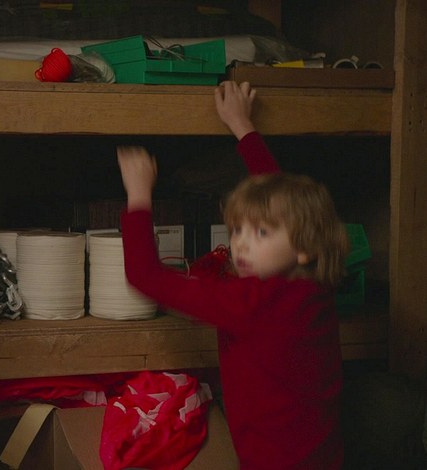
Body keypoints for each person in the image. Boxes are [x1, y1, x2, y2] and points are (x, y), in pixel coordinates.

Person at [116, 80, 349, 469]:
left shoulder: (252, 304)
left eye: (260, 233)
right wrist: (243, 126)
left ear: (304, 245)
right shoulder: (313, 284)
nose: (241, 243)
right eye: (237, 229)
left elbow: (145, 276)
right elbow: (286, 210)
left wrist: (139, 194)